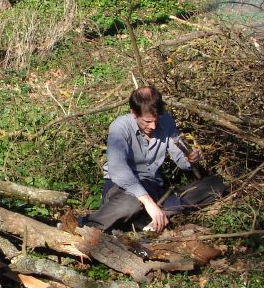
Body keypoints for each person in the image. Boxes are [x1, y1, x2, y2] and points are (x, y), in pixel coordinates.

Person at [78, 86, 227, 233]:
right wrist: (147, 201)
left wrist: (190, 159)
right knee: (130, 204)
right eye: (147, 121)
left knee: (215, 185)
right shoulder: (120, 127)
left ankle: (146, 218)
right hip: (121, 188)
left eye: (156, 120)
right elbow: (118, 170)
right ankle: (88, 225)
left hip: (153, 186)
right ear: (133, 113)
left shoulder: (166, 121)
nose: (153, 126)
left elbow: (181, 159)